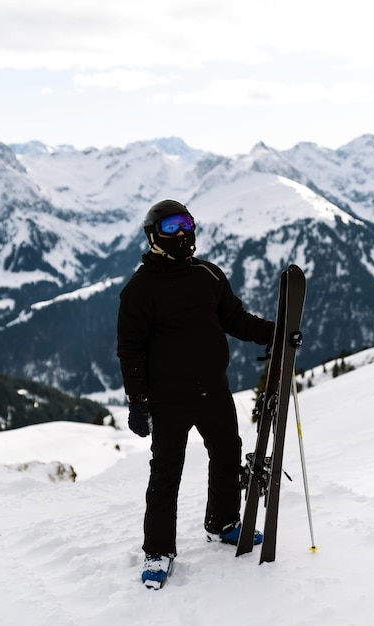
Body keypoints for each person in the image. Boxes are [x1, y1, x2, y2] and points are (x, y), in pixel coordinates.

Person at [117, 199, 275, 588]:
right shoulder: (139, 289)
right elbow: (130, 349)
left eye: (186, 223)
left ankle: (222, 522)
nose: (182, 233)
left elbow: (235, 319)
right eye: (171, 227)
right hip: (168, 399)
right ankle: (158, 551)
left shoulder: (209, 275)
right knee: (166, 474)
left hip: (214, 389)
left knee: (227, 455)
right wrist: (137, 402)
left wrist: (276, 331)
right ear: (154, 236)